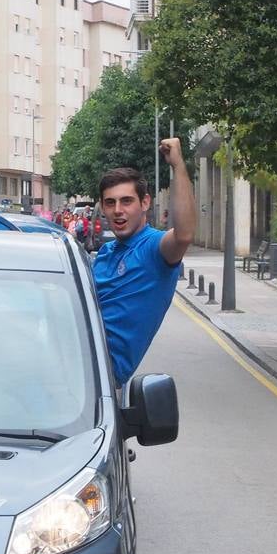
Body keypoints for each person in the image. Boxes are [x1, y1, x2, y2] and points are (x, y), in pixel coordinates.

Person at [92, 137, 195, 385]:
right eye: (110, 203)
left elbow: (184, 234)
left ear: (145, 203)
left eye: (126, 201)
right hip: (66, 358)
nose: (118, 210)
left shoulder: (153, 248)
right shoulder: (105, 254)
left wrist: (178, 166)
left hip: (99, 378)